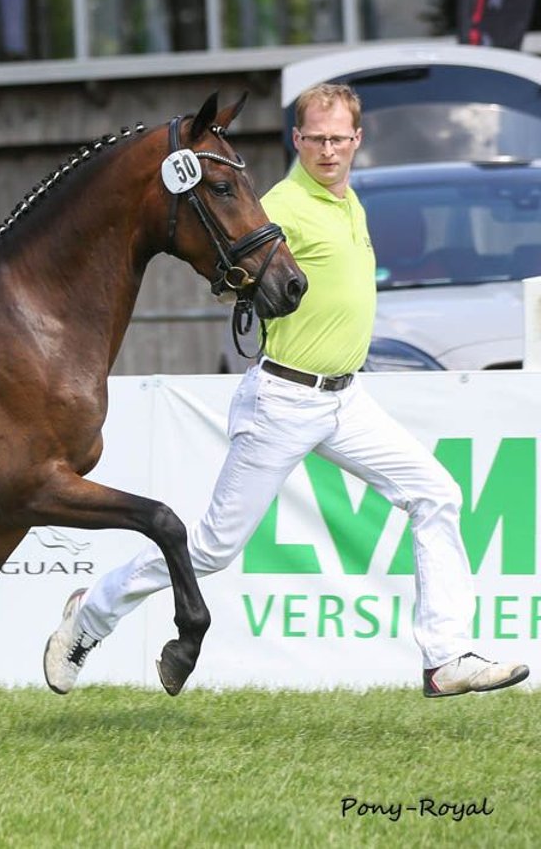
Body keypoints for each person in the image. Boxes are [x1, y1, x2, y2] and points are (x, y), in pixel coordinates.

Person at [43, 82, 529, 699]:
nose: (328, 149)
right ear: (297, 140)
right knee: (213, 549)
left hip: (346, 400)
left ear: (357, 139)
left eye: (339, 138)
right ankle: (90, 614)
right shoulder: (282, 205)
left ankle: (446, 657)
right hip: (284, 400)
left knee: (437, 494)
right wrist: (239, 286)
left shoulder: (350, 202)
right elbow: (231, 269)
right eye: (316, 138)